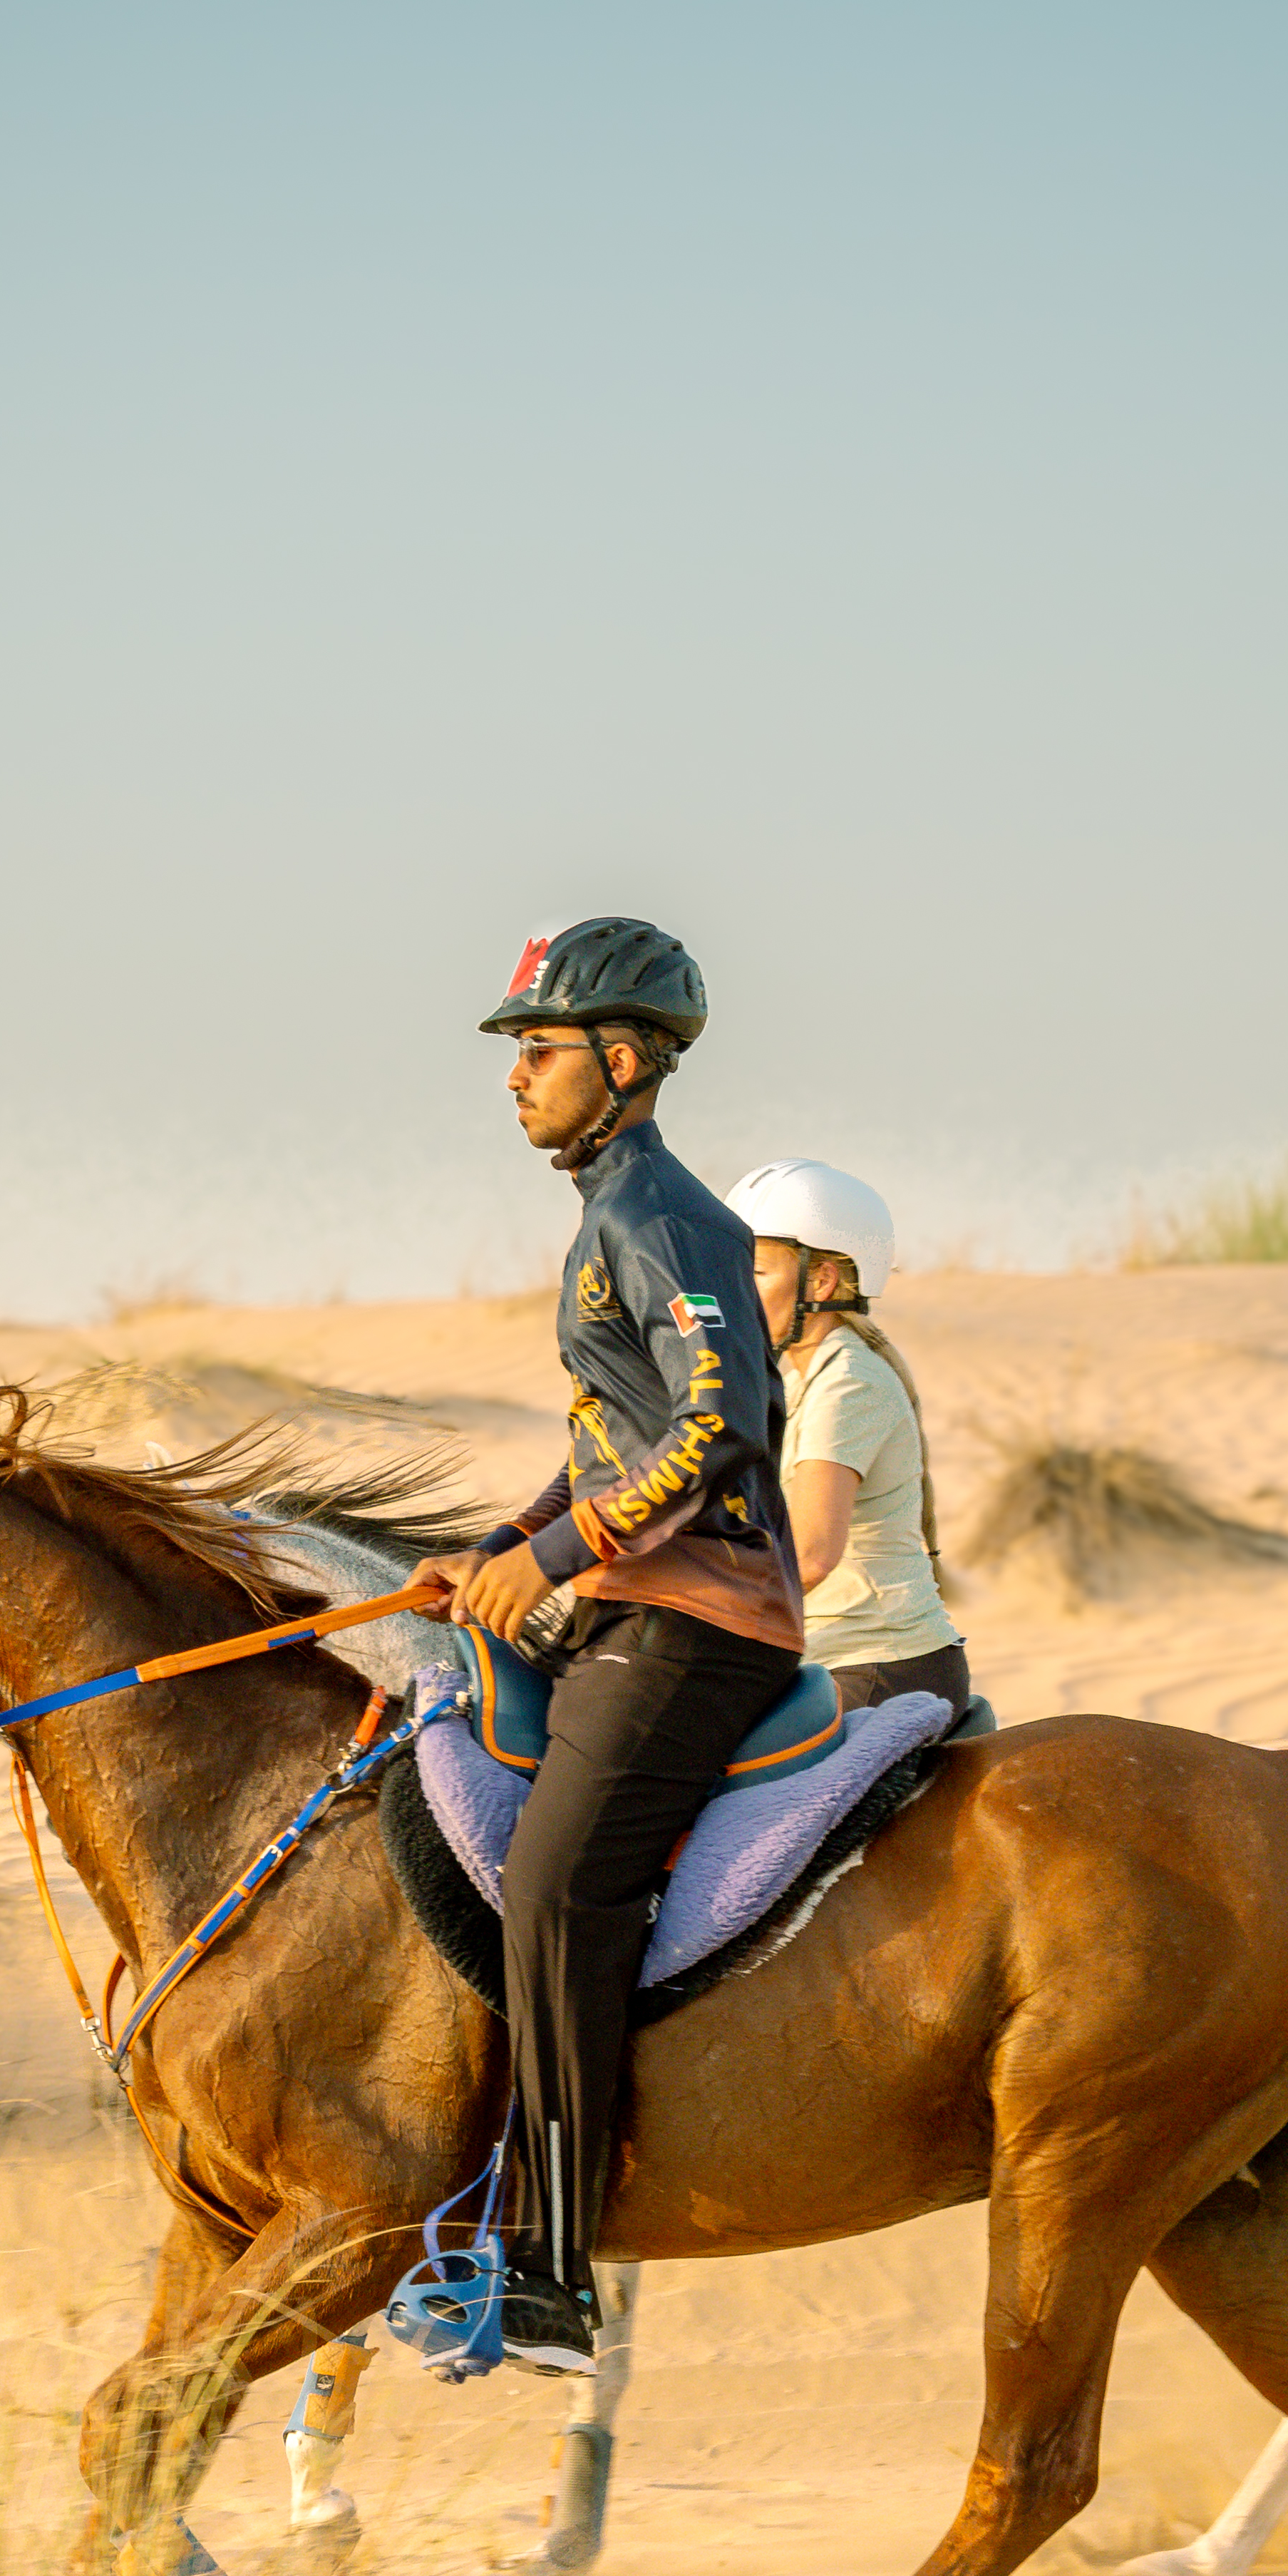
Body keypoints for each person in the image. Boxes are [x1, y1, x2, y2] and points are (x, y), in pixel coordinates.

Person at [409, 918, 803, 2372]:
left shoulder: (660, 1218)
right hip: (633, 1600)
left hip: (702, 1620)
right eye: (515, 1050)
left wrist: (560, 1557)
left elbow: (718, 1432)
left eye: (540, 1049)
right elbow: (610, 1442)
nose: (516, 1076)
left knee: (560, 1887)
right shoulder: (610, 1212)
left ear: (622, 1062)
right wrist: (506, 1548)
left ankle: (555, 2276)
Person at [726, 1161, 972, 1720]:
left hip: (880, 1666)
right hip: (820, 1659)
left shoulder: (848, 1381)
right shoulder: (789, 1376)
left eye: (757, 1273)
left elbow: (811, 1555)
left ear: (822, 1281)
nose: (736, 1290)